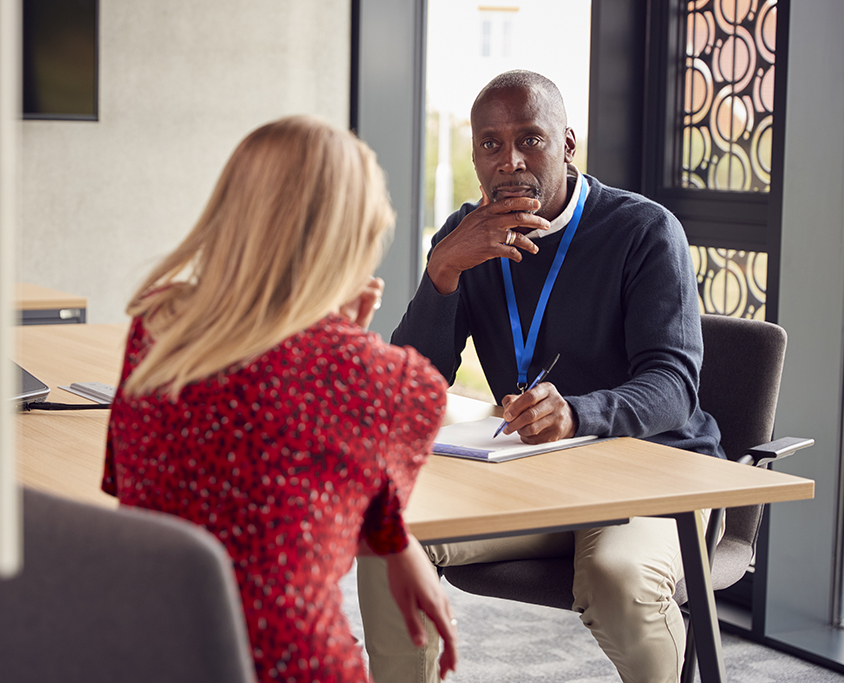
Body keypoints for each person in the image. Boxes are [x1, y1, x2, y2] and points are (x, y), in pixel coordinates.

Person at [356, 71, 725, 683]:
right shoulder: (467, 235)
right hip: (531, 477)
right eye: (491, 144)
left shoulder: (644, 231)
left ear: (568, 144)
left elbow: (674, 384)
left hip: (648, 476)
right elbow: (413, 385)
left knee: (616, 576)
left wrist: (580, 413)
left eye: (531, 139)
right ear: (474, 153)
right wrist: (442, 270)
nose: (511, 161)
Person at [101, 115, 458, 683]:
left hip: (144, 650)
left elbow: (135, 488)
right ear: (358, 238)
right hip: (293, 668)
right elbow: (355, 529)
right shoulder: (399, 384)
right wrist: (352, 343)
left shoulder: (159, 323)